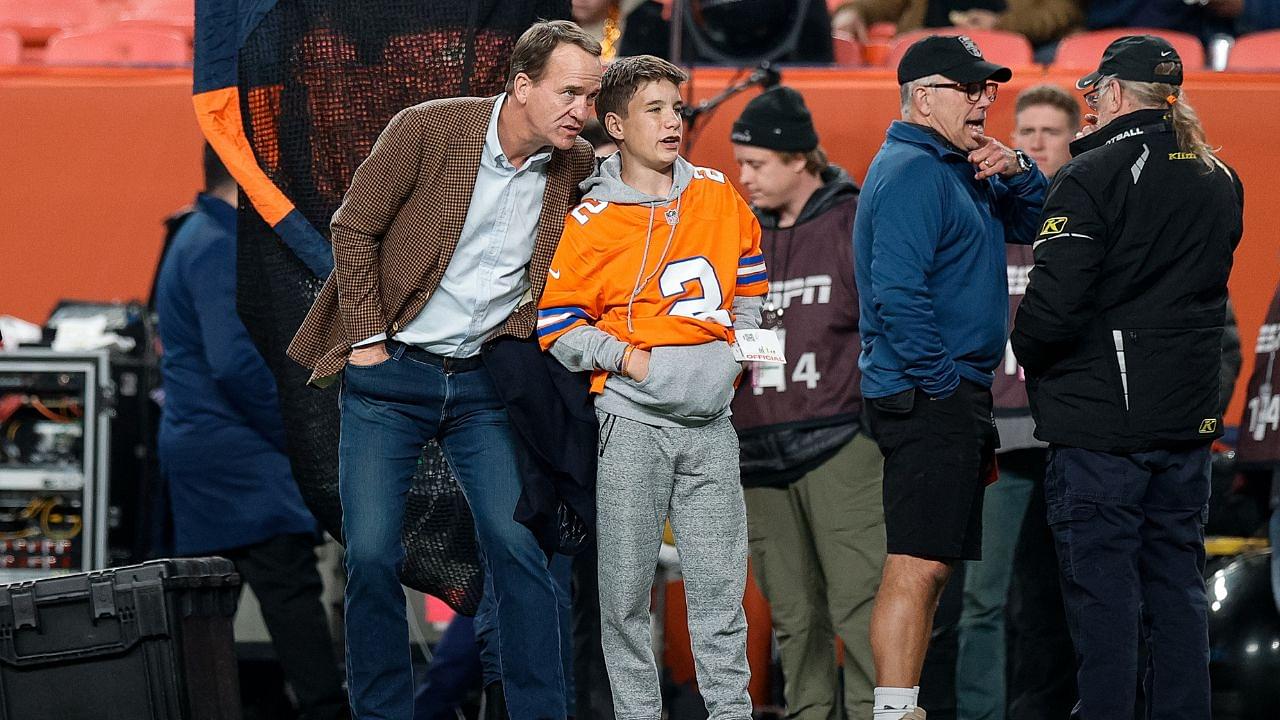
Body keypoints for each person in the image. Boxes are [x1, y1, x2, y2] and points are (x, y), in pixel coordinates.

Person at [286, 20, 602, 720]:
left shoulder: (574, 164)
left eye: (591, 96)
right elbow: (353, 225)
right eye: (569, 92)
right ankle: (382, 713)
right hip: (391, 377)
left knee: (522, 549)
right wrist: (366, 338)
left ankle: (540, 712)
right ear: (522, 85)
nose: (581, 110)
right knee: (370, 556)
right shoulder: (429, 129)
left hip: (485, 384)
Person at [1011, 35, 1244, 720]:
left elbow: (1050, 313)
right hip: (1186, 426)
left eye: (1093, 93)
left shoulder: (1092, 175)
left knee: (1105, 605)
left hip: (1103, 433)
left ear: (1113, 93)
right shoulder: (1220, 176)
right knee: (1178, 594)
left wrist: (1031, 353)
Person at [537, 54, 766, 720]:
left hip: (712, 425)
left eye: (677, 107)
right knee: (626, 597)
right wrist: (631, 363)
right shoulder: (591, 220)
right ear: (614, 124)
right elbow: (556, 326)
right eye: (655, 110)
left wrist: (740, 361)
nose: (673, 122)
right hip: (632, 426)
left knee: (722, 593)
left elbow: (753, 284)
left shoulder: (719, 193)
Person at [853, 35, 1048, 720]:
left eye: (988, 88)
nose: (984, 99)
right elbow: (896, 295)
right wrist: (942, 386)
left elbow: (1038, 223)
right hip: (927, 389)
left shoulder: (958, 165)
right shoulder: (911, 170)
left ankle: (901, 706)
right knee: (916, 562)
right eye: (969, 88)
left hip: (950, 388)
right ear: (922, 95)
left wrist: (1018, 167)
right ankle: (894, 711)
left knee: (933, 565)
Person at [156, 144, 347, 720]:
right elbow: (234, 364)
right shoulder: (218, 246)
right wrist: (303, 429)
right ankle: (325, 710)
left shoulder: (197, 236)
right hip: (237, 457)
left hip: (214, 454)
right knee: (288, 593)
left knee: (206, 613)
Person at [728, 85, 885, 720]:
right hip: (759, 455)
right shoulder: (741, 234)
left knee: (860, 607)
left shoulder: (852, 223)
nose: (744, 177)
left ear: (799, 158)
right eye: (740, 163)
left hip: (838, 446)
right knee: (794, 620)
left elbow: (884, 324)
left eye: (756, 163)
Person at [954, 84, 1078, 720]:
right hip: (999, 433)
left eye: (1048, 133)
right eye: (1023, 130)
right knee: (983, 598)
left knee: (1070, 595)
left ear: (1074, 140)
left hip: (1075, 435)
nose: (1031, 142)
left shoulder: (1095, 219)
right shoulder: (985, 208)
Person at [831, 0, 1083, 51]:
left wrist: (1000, 25)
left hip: (1005, 52)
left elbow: (1063, 11)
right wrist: (854, 10)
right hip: (926, 48)